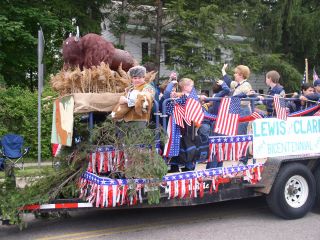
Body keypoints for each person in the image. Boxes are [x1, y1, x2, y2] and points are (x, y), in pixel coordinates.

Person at [221, 64, 253, 165]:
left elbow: (247, 97)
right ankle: (241, 158)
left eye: (236, 73)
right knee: (239, 135)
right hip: (238, 111)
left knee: (242, 135)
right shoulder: (238, 84)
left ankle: (243, 160)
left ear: (241, 75)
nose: (234, 75)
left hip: (243, 111)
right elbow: (229, 81)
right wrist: (223, 71)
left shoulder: (246, 85)